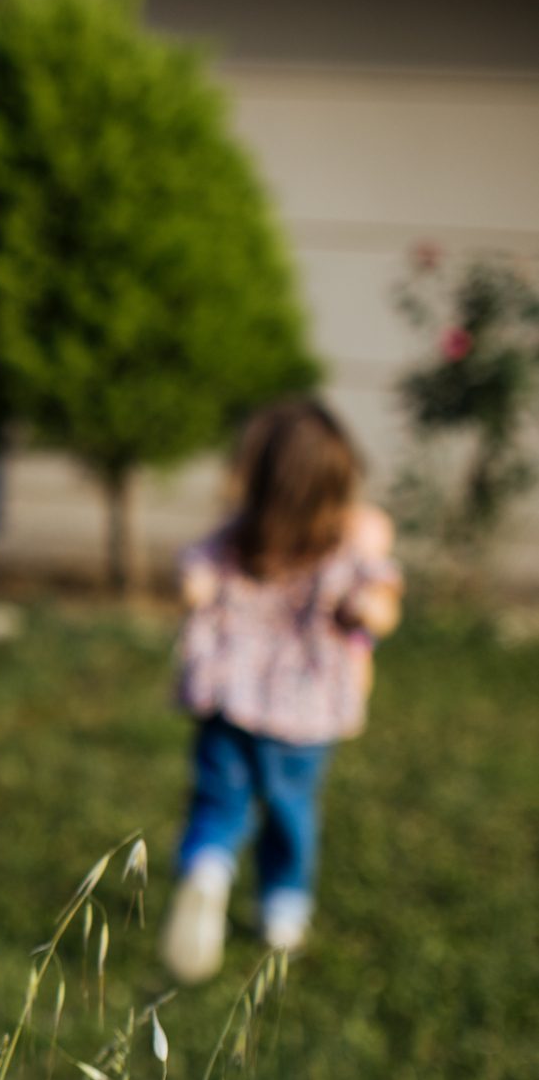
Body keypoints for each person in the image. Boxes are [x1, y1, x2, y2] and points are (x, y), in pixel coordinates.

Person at [161, 399, 403, 983]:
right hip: (306, 708)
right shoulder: (350, 542)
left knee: (220, 800)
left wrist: (198, 588)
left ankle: (210, 868)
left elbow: (193, 574)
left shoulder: (239, 535)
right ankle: (284, 911)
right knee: (291, 808)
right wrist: (365, 609)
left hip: (228, 697)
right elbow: (381, 605)